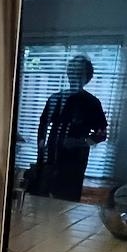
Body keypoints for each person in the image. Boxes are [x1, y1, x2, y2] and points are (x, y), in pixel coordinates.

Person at [33, 54, 108, 201]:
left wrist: (81, 142)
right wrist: (41, 147)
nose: (74, 75)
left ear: (87, 77)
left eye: (79, 72)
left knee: (65, 202)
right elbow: (43, 125)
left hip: (74, 163)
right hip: (50, 159)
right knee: (40, 200)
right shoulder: (56, 98)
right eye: (72, 71)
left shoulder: (92, 103)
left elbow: (102, 134)